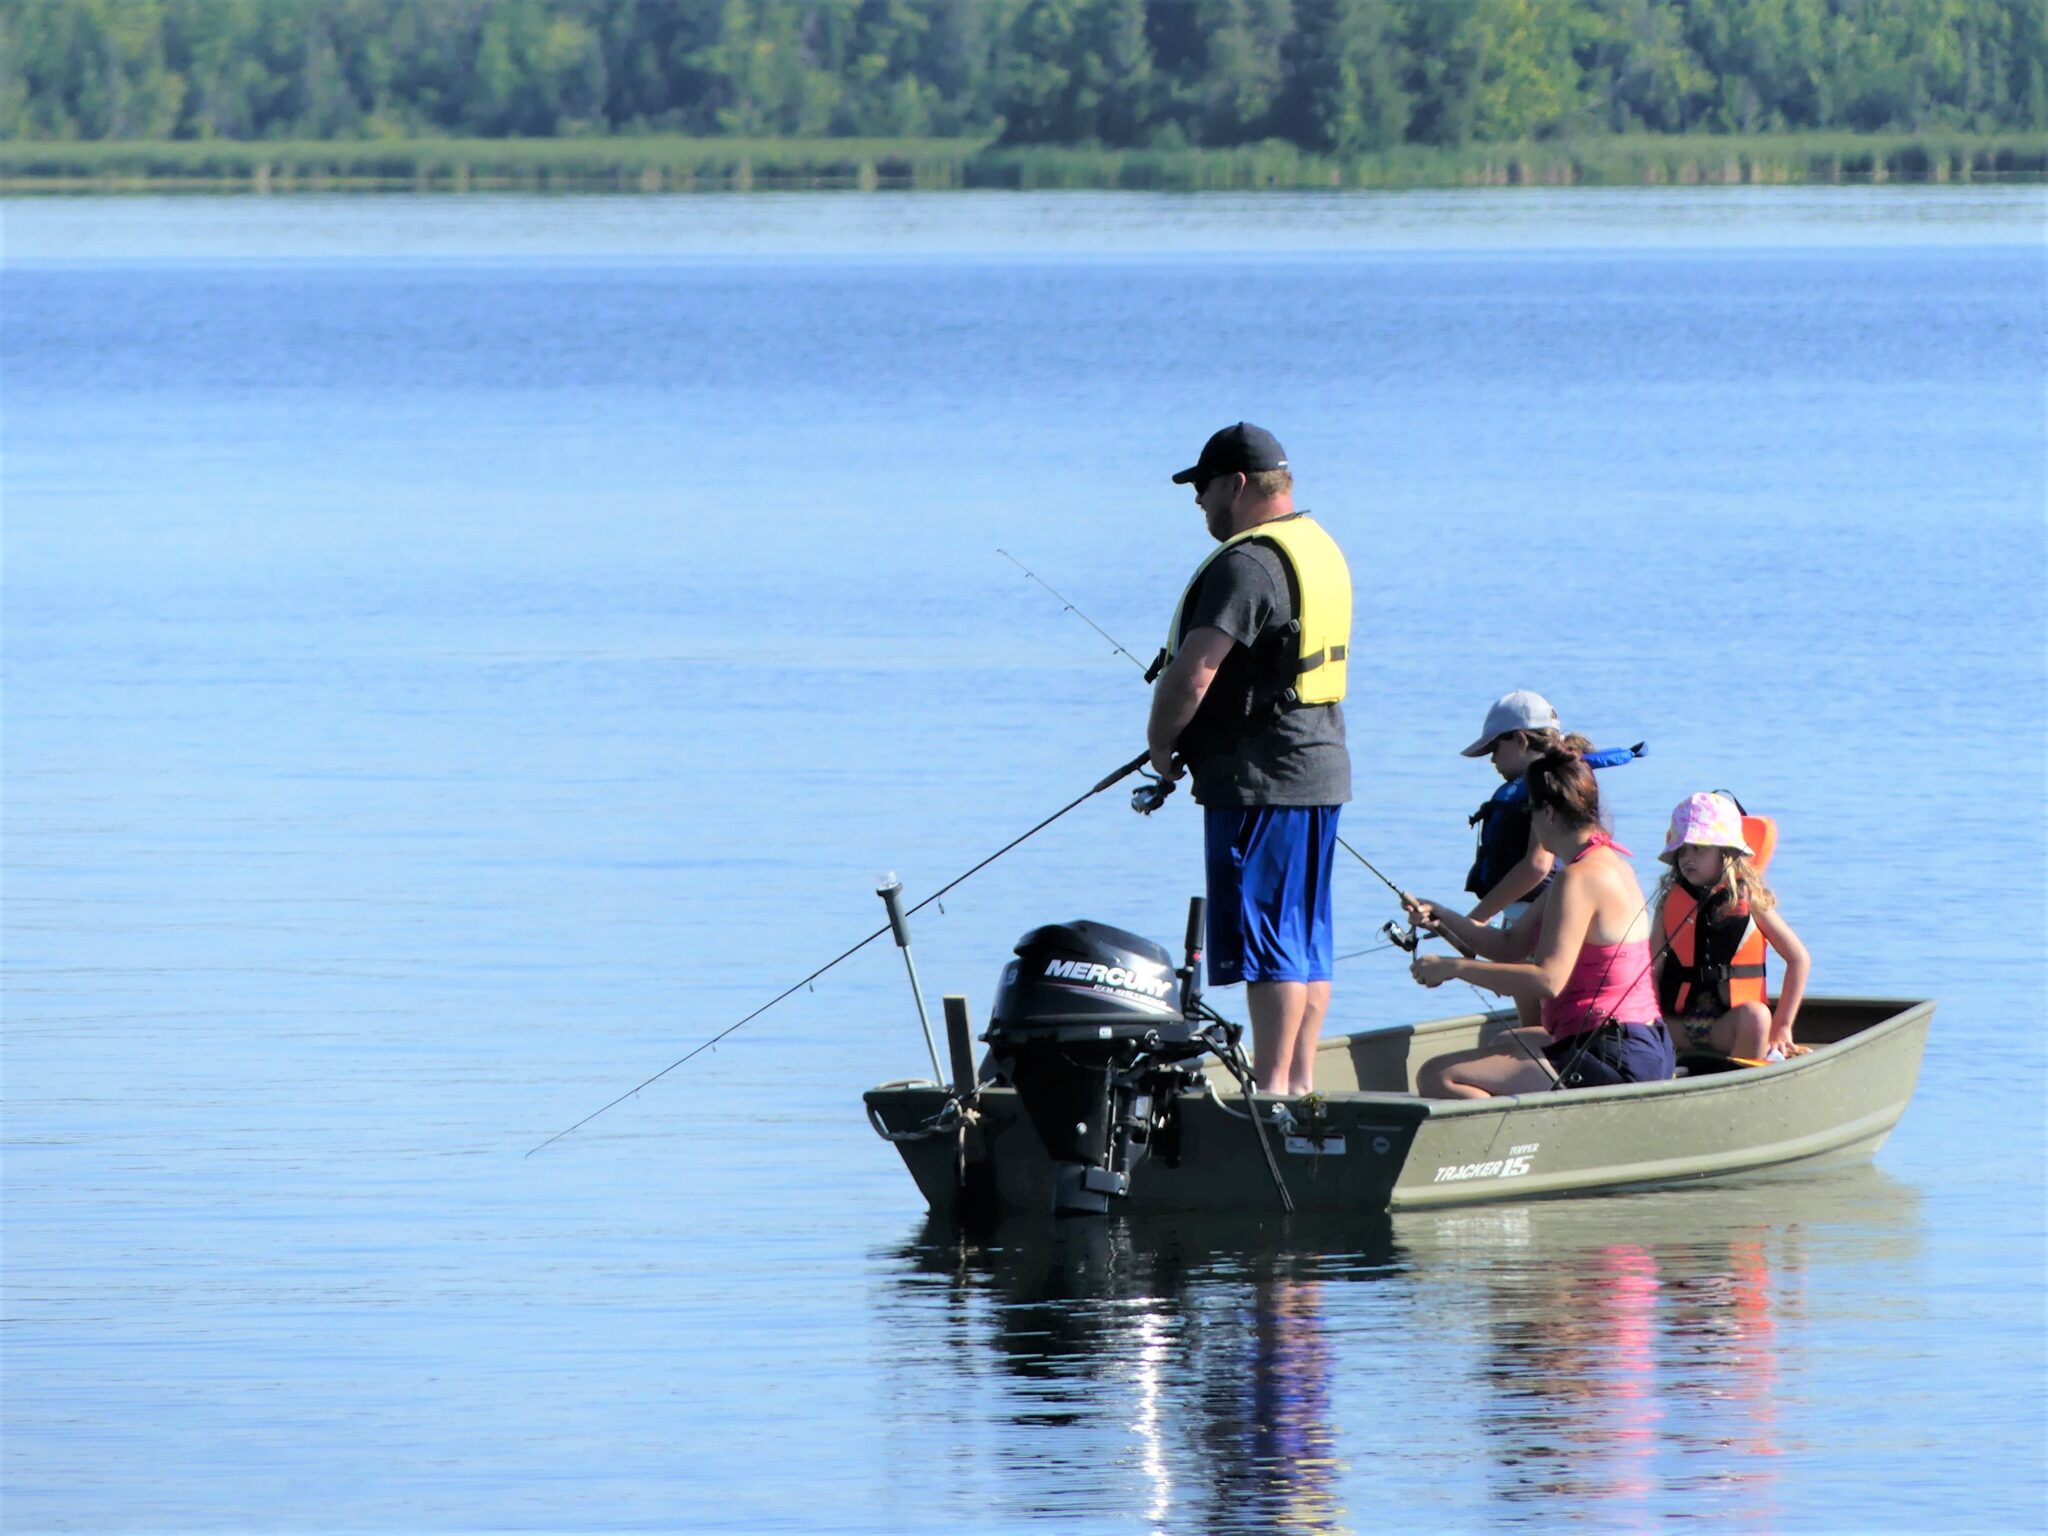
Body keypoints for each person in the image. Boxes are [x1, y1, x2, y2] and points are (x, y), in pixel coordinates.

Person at [1145, 422, 1352, 1096]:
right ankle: (1298, 1085)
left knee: (1271, 947)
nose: (1199, 504)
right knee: (1306, 940)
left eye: (1202, 489)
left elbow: (1194, 673)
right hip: (1319, 770)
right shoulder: (1315, 547)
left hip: (1263, 783)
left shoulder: (1247, 563)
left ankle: (1270, 1095)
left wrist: (1160, 744)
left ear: (1236, 484)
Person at [1403, 750, 1675, 1096]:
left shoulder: (1578, 879)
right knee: (1505, 1041)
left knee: (1438, 1076)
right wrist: (1441, 915)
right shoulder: (1607, 863)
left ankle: (1527, 1148)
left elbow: (1548, 980)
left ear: (1547, 812)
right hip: (1643, 1043)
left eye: (1529, 810)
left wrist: (1454, 968)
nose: (1529, 820)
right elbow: (1510, 945)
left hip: (1613, 1054)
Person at [1461, 689, 1646, 927]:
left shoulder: (1546, 786)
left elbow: (1537, 865)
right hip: (1526, 917)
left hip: (1539, 922)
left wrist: (1475, 920)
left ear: (1520, 740)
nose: (1492, 759)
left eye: (1495, 748)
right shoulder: (1541, 784)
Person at [1653, 791, 1811, 1063]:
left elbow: (1798, 959)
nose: (1687, 857)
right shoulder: (1669, 902)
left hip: (1727, 1027)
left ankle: (1739, 1075)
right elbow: (1650, 969)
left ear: (1725, 853)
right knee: (1633, 1022)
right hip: (1679, 1025)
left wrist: (1782, 1026)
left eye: (1699, 848)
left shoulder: (1751, 900)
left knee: (1757, 1016)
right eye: (1683, 849)